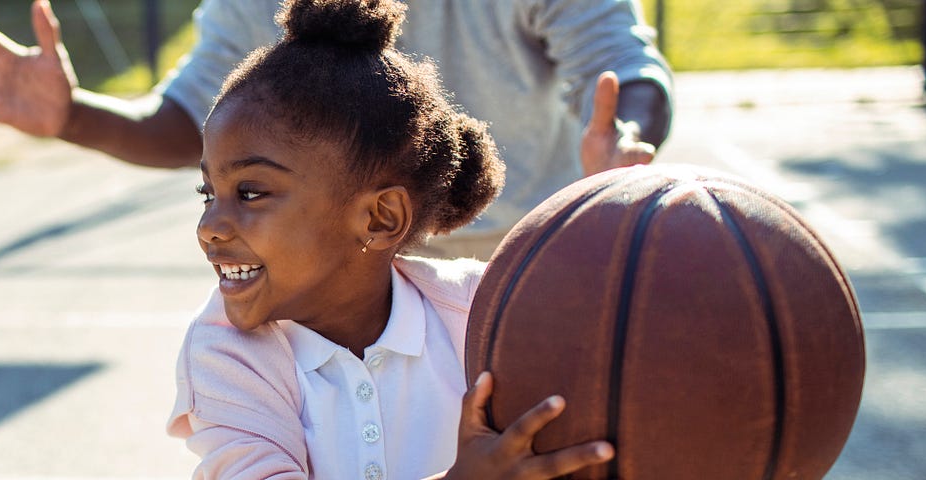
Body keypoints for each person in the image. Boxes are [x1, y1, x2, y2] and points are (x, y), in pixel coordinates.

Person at [165, 0, 612, 477]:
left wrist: (609, 213)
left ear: (380, 219)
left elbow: (618, 344)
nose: (209, 225)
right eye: (207, 193)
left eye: (250, 193)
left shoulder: (482, 312)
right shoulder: (224, 353)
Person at [0, 0, 672, 259]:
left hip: (519, 247)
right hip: (344, 260)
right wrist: (73, 116)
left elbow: (623, 66)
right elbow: (188, 118)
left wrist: (627, 138)